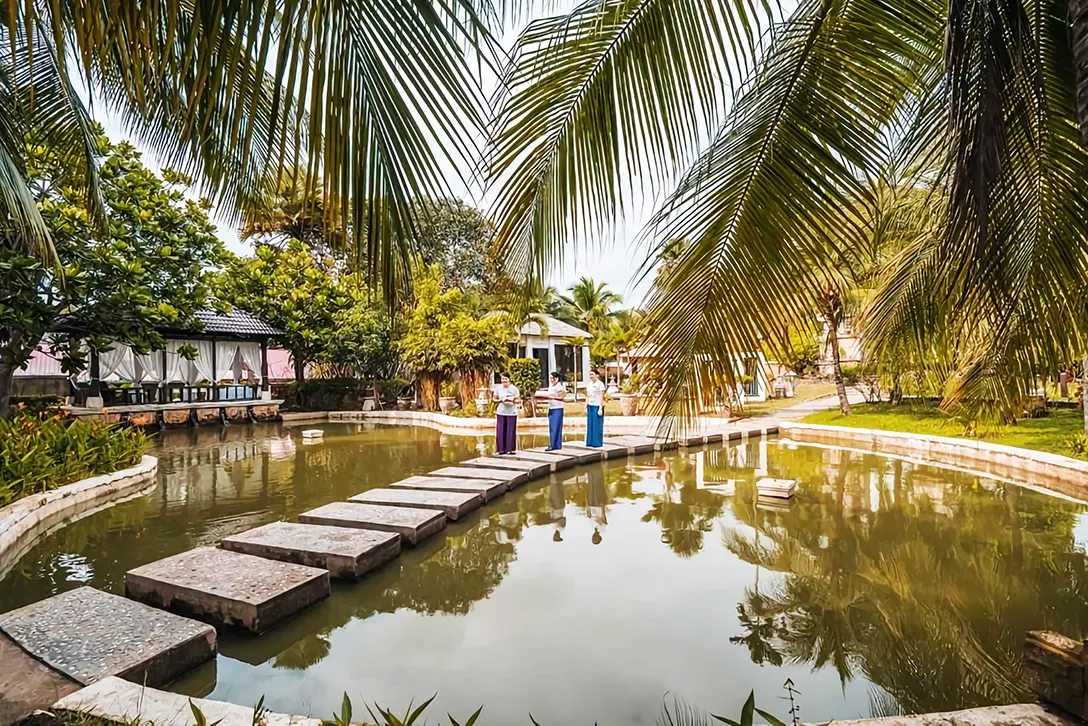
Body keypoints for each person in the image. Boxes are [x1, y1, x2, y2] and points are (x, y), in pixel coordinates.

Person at [492, 372, 521, 455]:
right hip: (501, 411)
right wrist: (501, 400)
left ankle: (510, 448)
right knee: (501, 431)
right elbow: (494, 399)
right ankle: (501, 449)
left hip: (511, 411)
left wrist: (511, 400)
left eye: (506, 379)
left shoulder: (514, 389)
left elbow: (518, 400)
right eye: (503, 379)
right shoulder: (498, 389)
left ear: (509, 379)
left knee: (510, 430)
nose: (504, 380)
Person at [585, 368, 607, 447]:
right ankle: (589, 441)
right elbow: (587, 396)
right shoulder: (589, 384)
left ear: (597, 375)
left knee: (596, 424)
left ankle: (597, 442)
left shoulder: (600, 384)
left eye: (592, 374)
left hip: (597, 405)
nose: (591, 376)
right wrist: (585, 406)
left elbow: (601, 396)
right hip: (590, 405)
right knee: (590, 424)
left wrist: (600, 408)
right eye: (590, 374)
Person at [545, 371, 566, 451]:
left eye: (553, 378)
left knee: (555, 426)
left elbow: (562, 396)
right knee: (552, 426)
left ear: (557, 379)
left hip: (557, 408)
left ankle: (553, 445)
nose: (551, 380)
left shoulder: (559, 386)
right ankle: (555, 444)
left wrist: (552, 397)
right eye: (550, 378)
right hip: (551, 407)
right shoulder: (551, 386)